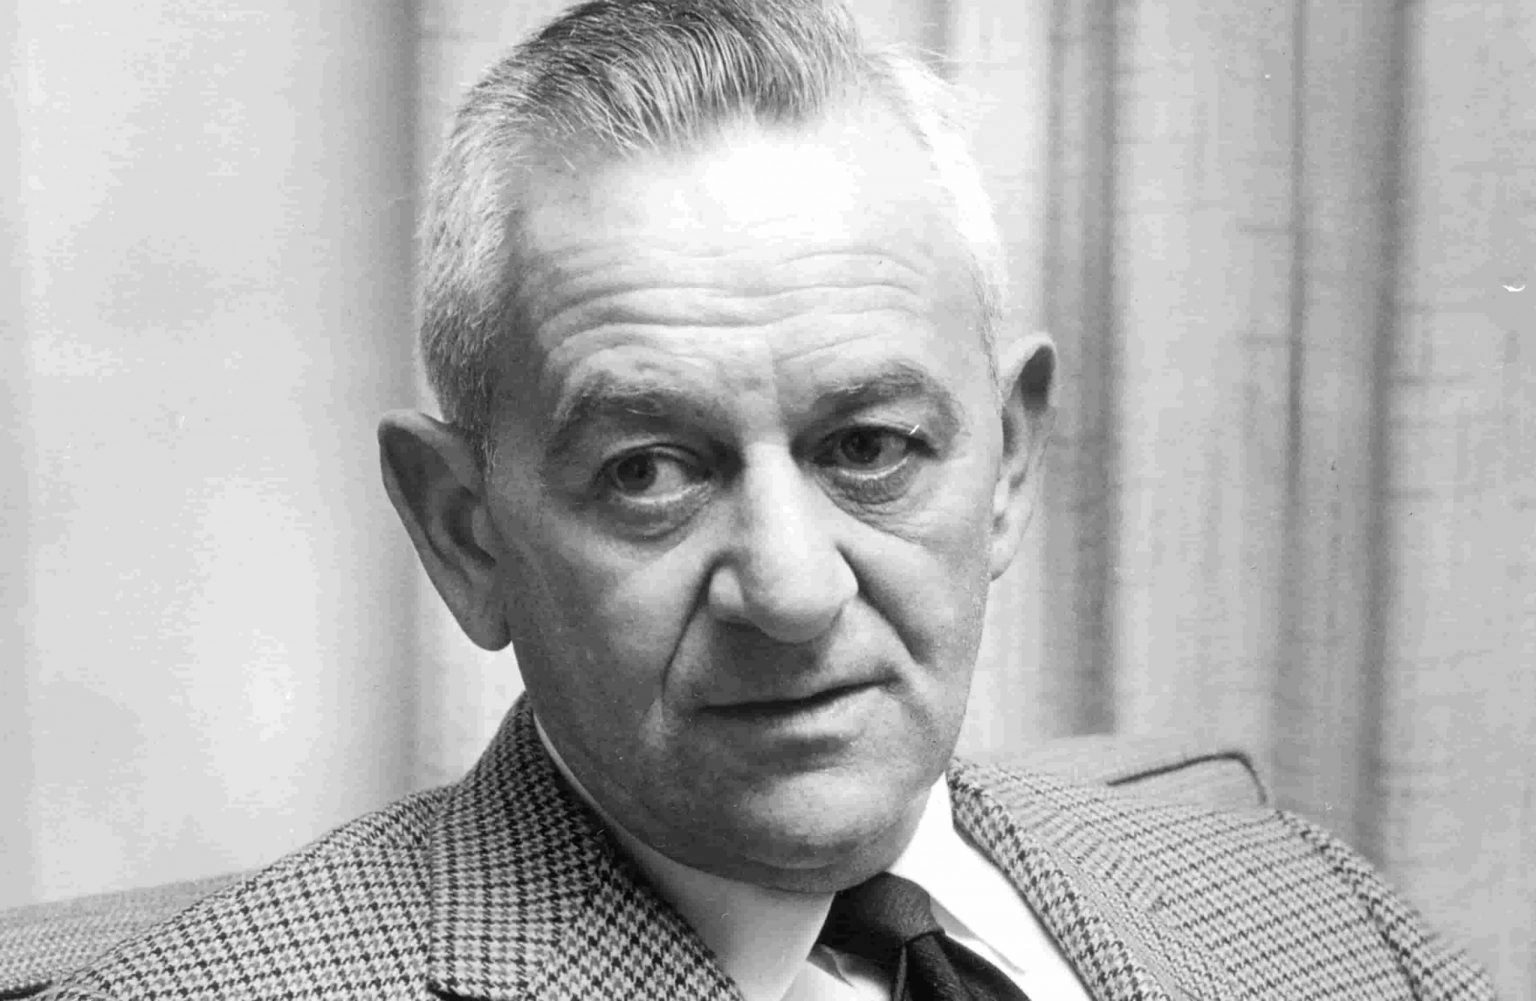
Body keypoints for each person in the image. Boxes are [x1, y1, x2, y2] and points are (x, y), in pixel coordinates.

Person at [44, 1, 1494, 999]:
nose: (793, 592)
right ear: (464, 533)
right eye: (649, 472)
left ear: (1007, 462)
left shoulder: (1312, 910)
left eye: (869, 445)